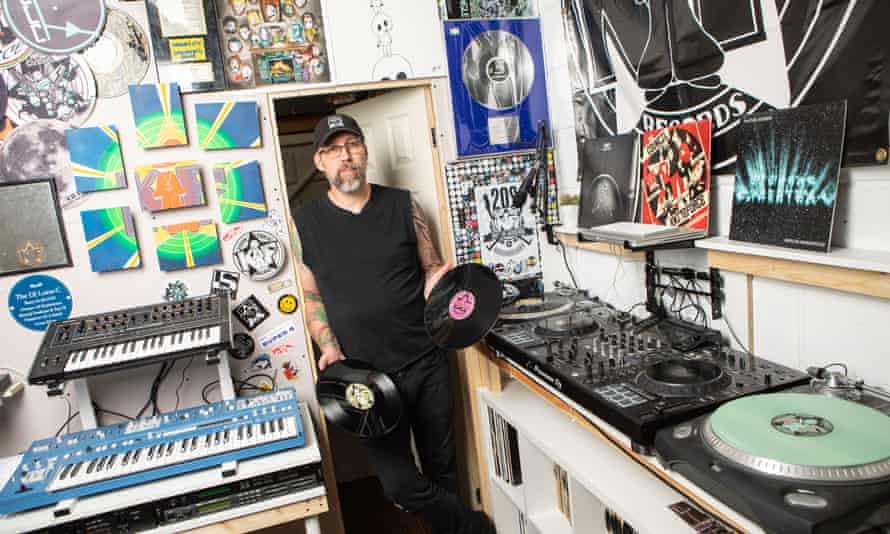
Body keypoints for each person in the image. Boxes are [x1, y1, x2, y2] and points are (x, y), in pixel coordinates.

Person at [292, 113, 495, 534]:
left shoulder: (403, 204)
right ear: (319, 162)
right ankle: (475, 529)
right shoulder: (305, 223)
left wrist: (440, 285)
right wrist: (327, 344)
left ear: (364, 152)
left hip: (426, 359)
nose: (345, 156)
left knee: (444, 470)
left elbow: (430, 269)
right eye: (333, 149)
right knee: (399, 484)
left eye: (352, 145)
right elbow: (311, 298)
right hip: (364, 380)